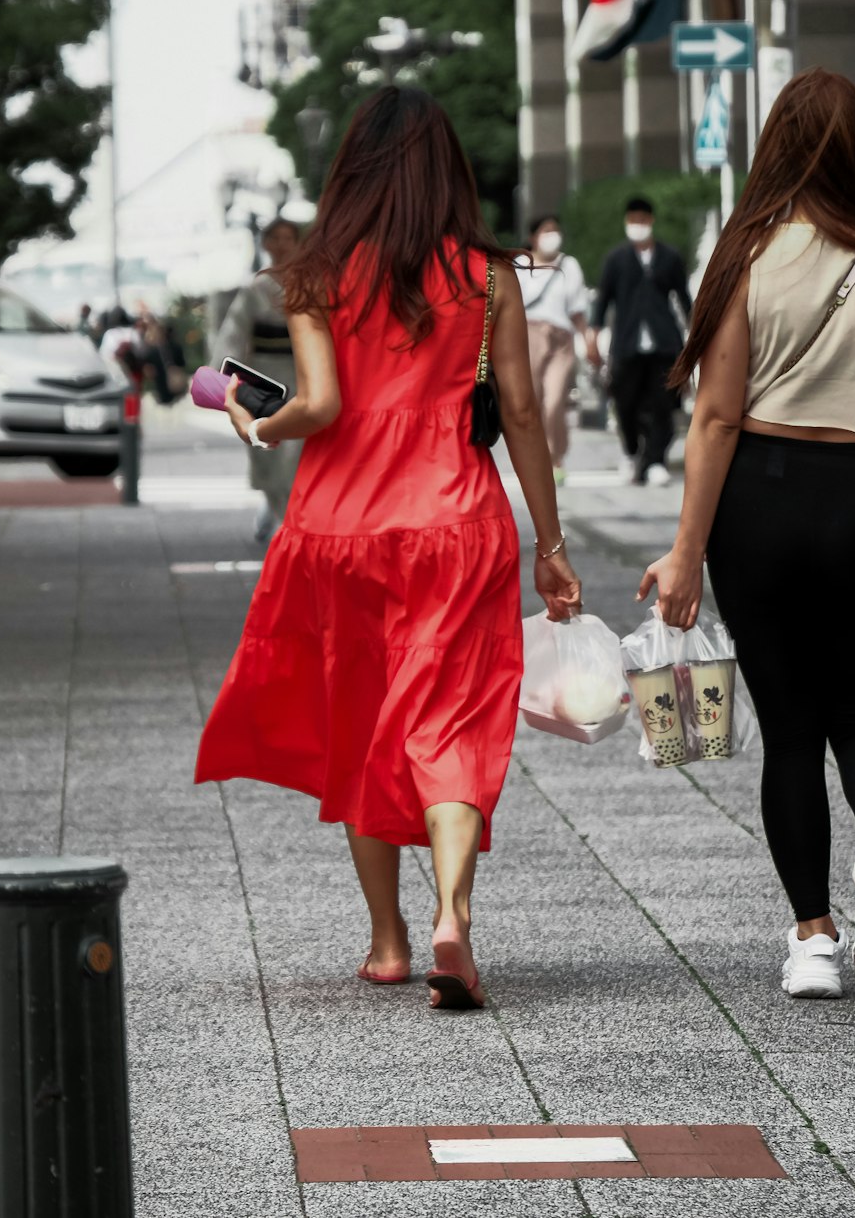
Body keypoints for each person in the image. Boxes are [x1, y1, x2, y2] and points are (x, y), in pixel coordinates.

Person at [195, 88, 581, 1010]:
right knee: (447, 722)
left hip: (339, 529)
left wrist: (259, 424)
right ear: (446, 170)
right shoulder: (490, 278)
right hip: (456, 522)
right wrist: (552, 543)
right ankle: (454, 914)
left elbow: (321, 406)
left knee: (363, 723)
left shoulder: (317, 276)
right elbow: (521, 410)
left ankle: (388, 942)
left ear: (353, 173)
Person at [638, 68, 855, 999]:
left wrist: (685, 553)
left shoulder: (746, 254)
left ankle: (814, 942)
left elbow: (715, 418)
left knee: (792, 731)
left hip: (763, 500)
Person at [587, 196, 692, 486]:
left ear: (651, 221)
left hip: (664, 342)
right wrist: (593, 336)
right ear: (626, 222)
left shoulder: (669, 257)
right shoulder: (616, 259)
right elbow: (603, 301)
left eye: (642, 221)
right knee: (624, 401)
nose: (638, 226)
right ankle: (632, 451)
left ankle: (656, 460)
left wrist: (696, 335)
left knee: (663, 403)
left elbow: (684, 299)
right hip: (626, 341)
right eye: (633, 221)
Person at [213, 218, 303, 543]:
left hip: (304, 373)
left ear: (297, 243)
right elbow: (233, 333)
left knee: (296, 452)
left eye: (287, 238)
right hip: (264, 374)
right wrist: (221, 374)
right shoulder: (256, 289)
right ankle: (278, 513)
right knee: (269, 450)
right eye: (274, 238)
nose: (281, 244)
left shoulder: (311, 283)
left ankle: (288, 520)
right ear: (266, 243)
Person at [517, 214, 590, 484]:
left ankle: (555, 456)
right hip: (528, 337)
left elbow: (577, 309)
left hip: (561, 340)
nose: (552, 236)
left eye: (555, 231)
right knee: (531, 401)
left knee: (555, 400)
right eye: (546, 231)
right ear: (533, 237)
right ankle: (534, 458)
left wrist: (587, 338)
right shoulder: (520, 264)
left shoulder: (569, 265)